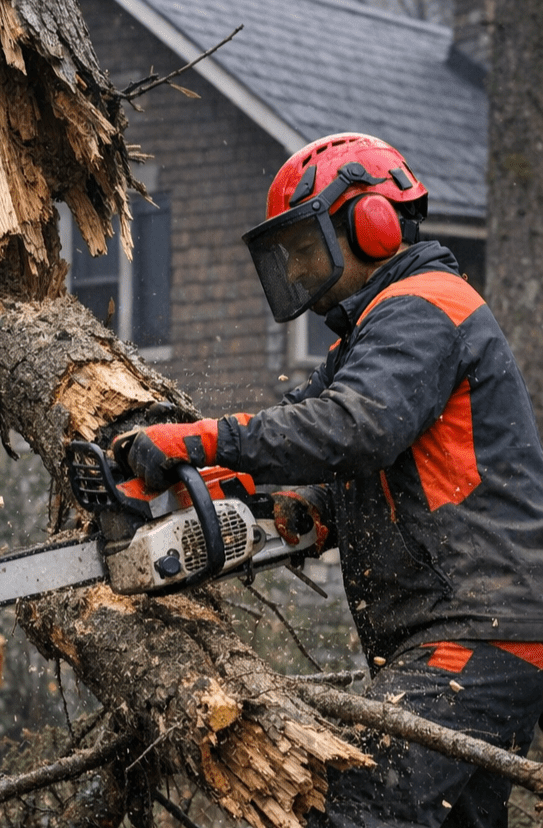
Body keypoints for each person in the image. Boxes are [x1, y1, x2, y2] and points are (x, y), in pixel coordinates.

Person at [118, 133, 543, 828]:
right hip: (474, 628)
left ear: (370, 222)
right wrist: (306, 506)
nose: (298, 267)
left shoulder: (424, 306)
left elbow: (353, 429)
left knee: (351, 806)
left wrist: (198, 440)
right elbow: (352, 447)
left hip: (476, 633)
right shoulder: (369, 334)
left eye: (307, 246)